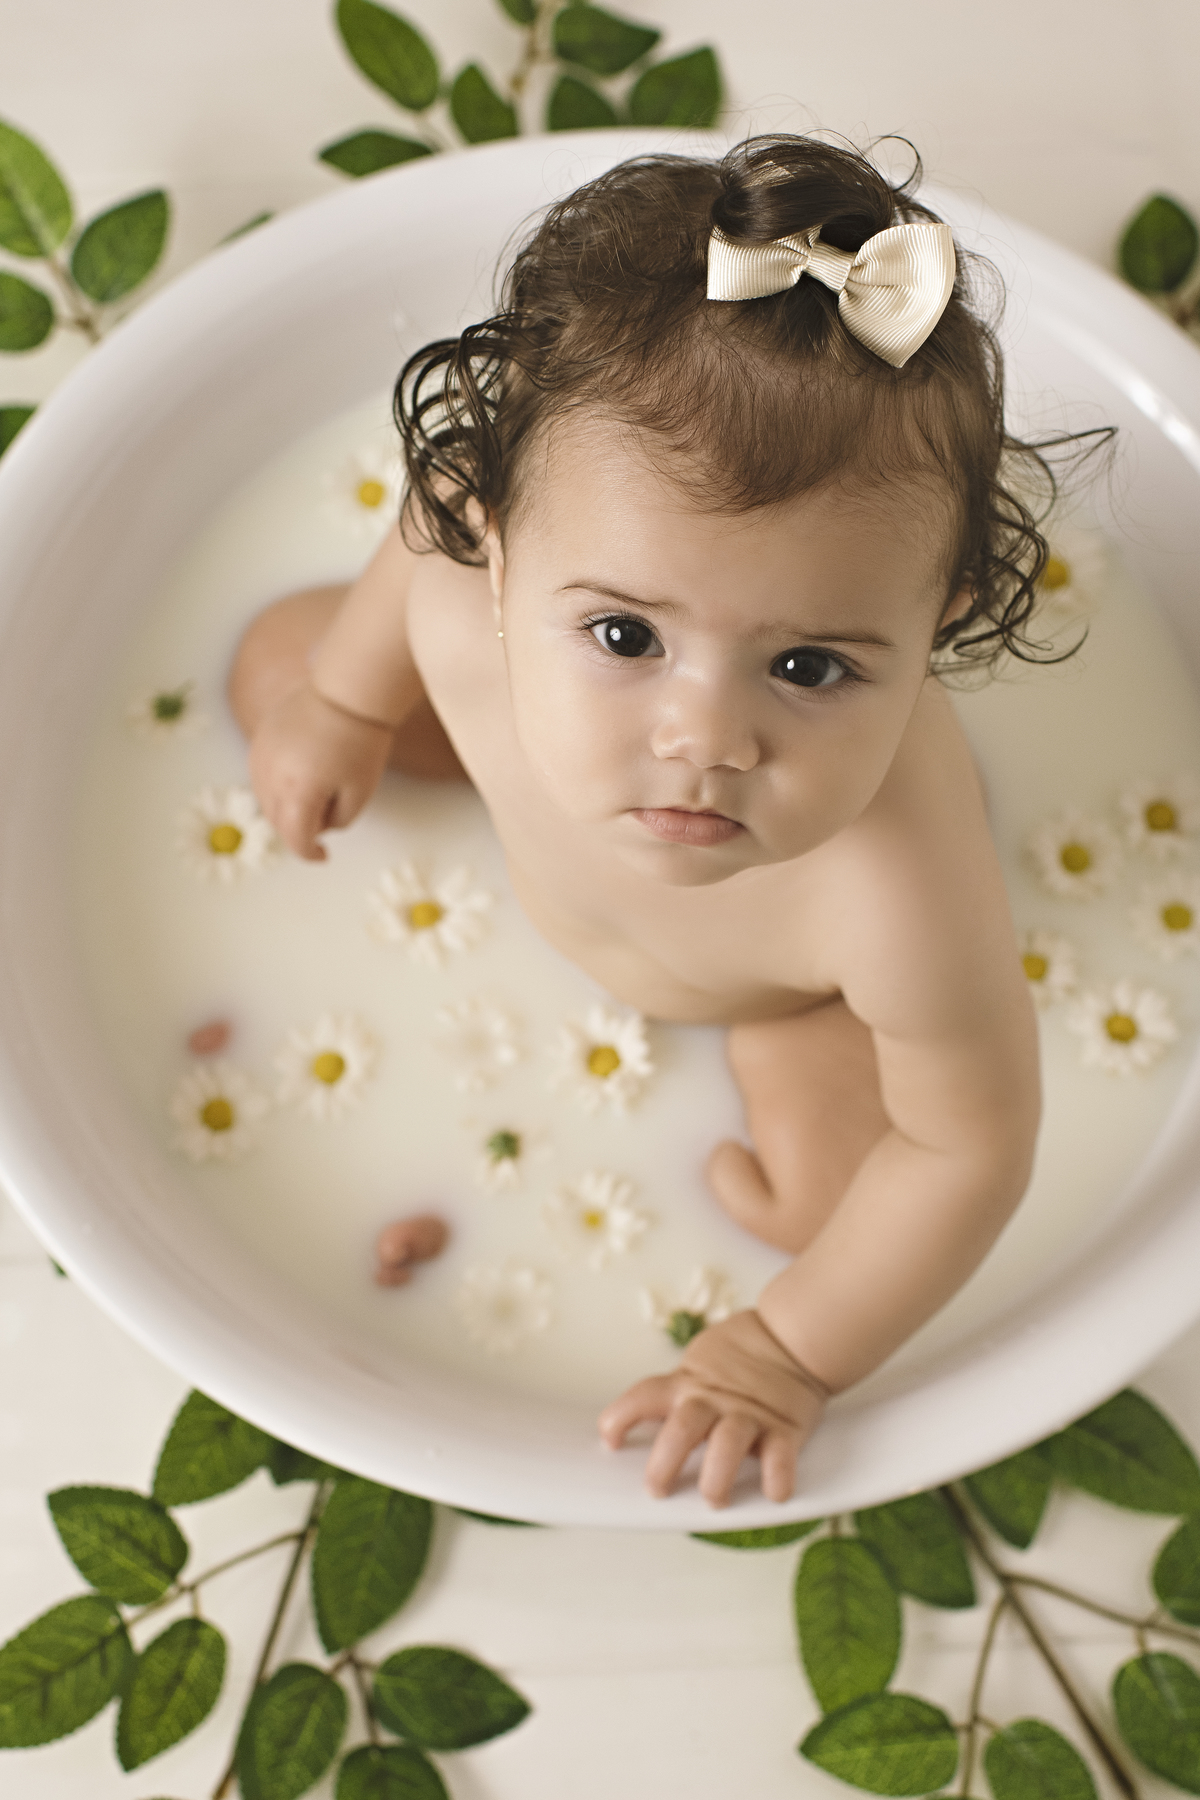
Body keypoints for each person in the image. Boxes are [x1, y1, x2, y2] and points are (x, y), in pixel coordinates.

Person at [230, 136, 1048, 1509]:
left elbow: (974, 1147)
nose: (705, 739)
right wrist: (344, 706)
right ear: (494, 543)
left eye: (811, 668)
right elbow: (410, 544)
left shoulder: (895, 890)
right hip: (528, 805)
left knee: (844, 1203)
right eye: (624, 633)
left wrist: (785, 1353)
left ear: (936, 628)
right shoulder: (451, 572)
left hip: (773, 990)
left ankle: (798, 1117)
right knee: (278, 668)